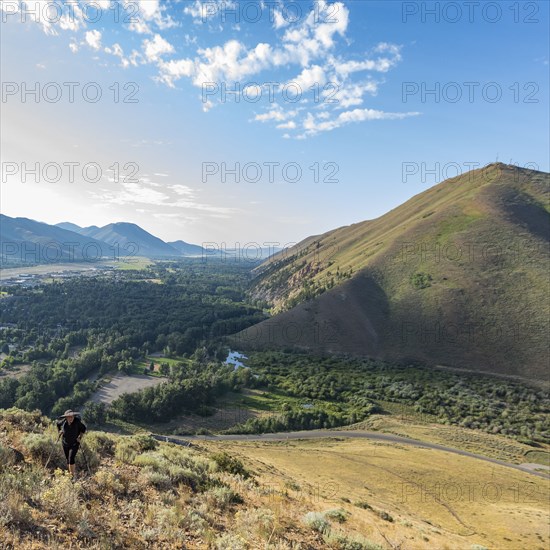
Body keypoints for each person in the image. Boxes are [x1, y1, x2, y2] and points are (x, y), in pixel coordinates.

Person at [56, 409, 86, 478]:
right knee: (68, 459)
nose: (71, 418)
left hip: (75, 443)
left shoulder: (77, 422)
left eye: (72, 416)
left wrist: (80, 437)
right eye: (69, 417)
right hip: (65, 443)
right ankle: (69, 474)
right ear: (66, 417)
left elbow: (83, 429)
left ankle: (72, 477)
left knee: (71, 458)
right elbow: (57, 424)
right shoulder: (63, 422)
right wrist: (59, 431)